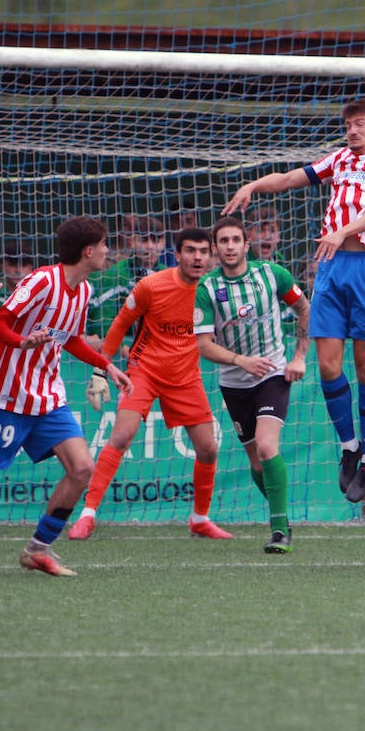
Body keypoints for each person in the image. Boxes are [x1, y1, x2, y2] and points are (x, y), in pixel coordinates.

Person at [223, 97, 365, 504]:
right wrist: (253, 185)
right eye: (348, 124)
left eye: (360, 124)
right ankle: (349, 447)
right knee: (327, 365)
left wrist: (342, 232)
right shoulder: (339, 160)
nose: (352, 130)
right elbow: (289, 178)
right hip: (330, 269)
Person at [0, 218, 131, 576]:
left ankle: (37, 550)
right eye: (103, 244)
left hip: (49, 397)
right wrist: (22, 341)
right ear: (87, 250)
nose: (106, 251)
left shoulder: (82, 290)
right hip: (8, 398)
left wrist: (105, 366)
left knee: (82, 468)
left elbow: (70, 339)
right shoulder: (41, 281)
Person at [65, 227, 228, 540]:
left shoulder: (214, 289)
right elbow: (120, 324)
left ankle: (200, 519)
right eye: (190, 250)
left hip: (186, 376)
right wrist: (101, 371)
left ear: (210, 256)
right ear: (177, 254)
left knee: (208, 449)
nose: (197, 257)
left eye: (203, 251)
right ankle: (87, 514)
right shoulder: (151, 285)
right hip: (144, 370)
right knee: (122, 436)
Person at [194, 216, 310, 552]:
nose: (229, 246)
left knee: (266, 446)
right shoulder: (207, 289)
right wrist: (240, 361)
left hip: (273, 373)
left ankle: (278, 531)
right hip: (234, 382)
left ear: (247, 244)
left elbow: (304, 308)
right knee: (256, 462)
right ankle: (281, 517)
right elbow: (203, 345)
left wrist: (299, 357)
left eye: (235, 240)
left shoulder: (272, 274)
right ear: (216, 248)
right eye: (223, 241)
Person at [85, 214, 169, 345]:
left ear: (164, 243)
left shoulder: (168, 276)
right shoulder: (115, 275)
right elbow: (101, 326)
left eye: (156, 240)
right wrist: (126, 351)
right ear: (132, 241)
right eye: (144, 240)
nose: (151, 246)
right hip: (120, 352)